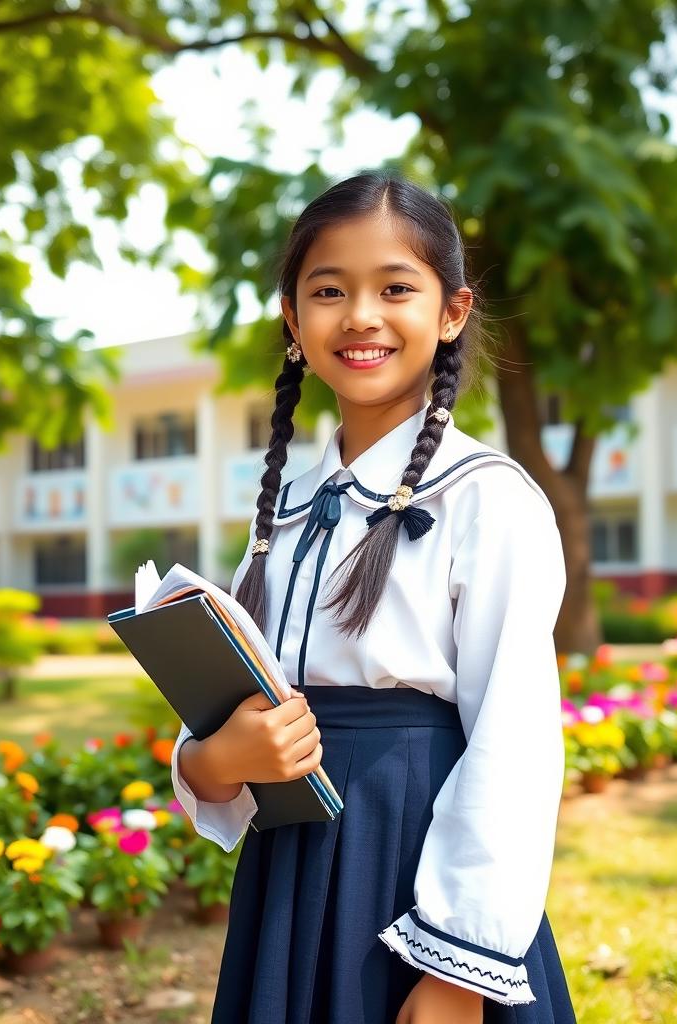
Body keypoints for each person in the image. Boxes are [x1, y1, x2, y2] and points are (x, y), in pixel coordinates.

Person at [170, 170, 578, 1024]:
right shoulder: (280, 507)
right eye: (328, 290)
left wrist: (458, 969)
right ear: (292, 322)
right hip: (290, 870)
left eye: (396, 287)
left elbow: (516, 741)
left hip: (416, 868)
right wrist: (214, 762)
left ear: (452, 312)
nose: (360, 316)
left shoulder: (487, 498)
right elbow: (226, 716)